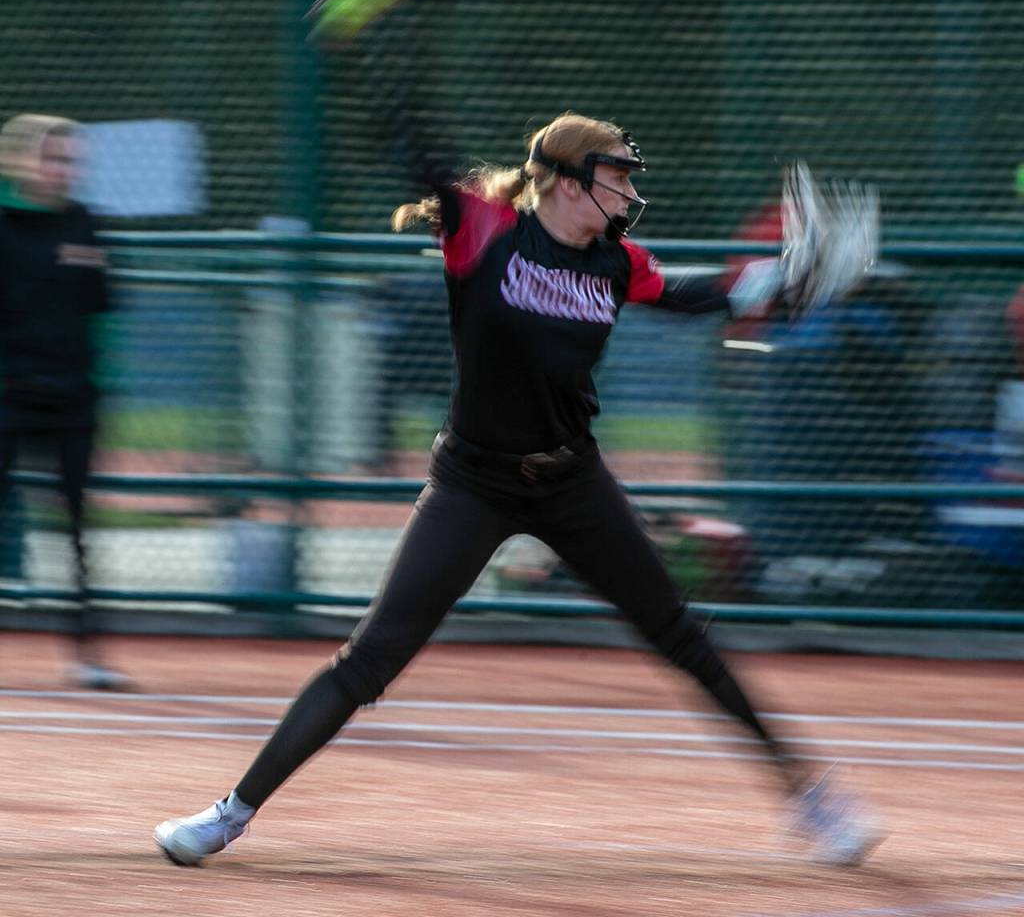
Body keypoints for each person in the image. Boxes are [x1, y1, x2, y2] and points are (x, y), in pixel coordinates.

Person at [155, 112, 880, 867]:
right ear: (568, 182)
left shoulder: (614, 262)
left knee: (682, 637)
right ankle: (229, 815)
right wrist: (387, 36)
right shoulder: (486, 232)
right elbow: (412, 144)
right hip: (473, 483)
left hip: (571, 481)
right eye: (616, 175)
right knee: (370, 661)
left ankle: (812, 800)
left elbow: (701, 297)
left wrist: (789, 275)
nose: (629, 190)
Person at [0, 113, 128, 690]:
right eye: (53, 158)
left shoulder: (84, 225)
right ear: (22, 161)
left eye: (70, 160)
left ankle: (87, 654)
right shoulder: (4, 224)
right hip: (9, 396)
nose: (62, 170)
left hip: (72, 399)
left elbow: (102, 306)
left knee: (76, 531)